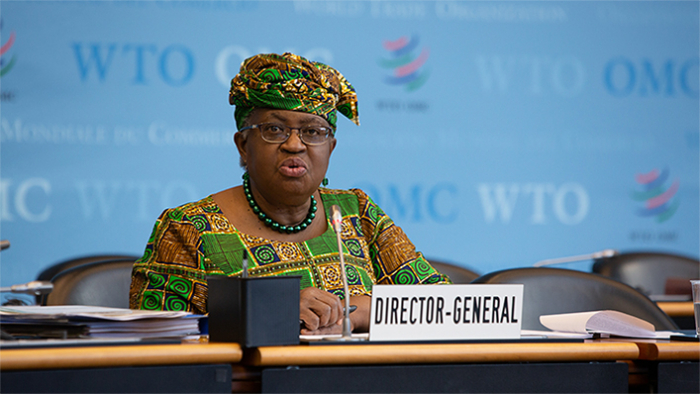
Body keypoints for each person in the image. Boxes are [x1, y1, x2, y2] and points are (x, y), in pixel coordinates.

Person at [129, 52, 450, 335]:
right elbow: (153, 335)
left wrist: (361, 311)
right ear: (243, 145)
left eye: (312, 131)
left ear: (330, 148)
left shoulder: (358, 213)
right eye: (274, 129)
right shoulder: (190, 228)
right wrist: (271, 311)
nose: (295, 144)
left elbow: (444, 307)